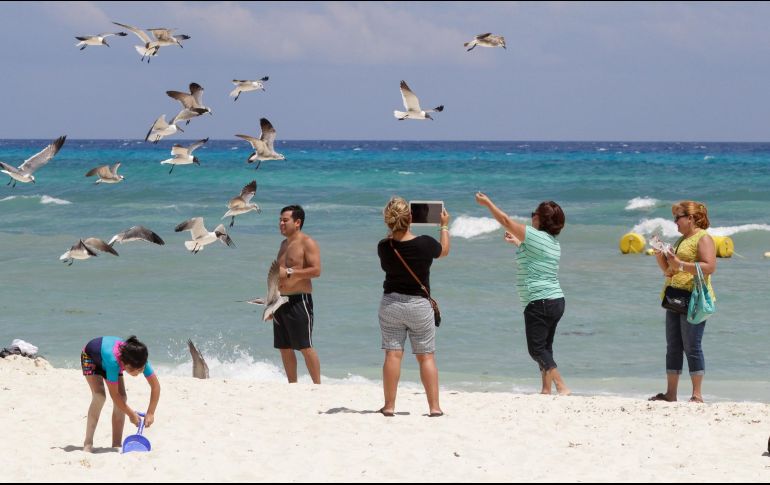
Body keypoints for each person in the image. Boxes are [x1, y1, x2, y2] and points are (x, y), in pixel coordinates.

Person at [475, 192, 570, 395]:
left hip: (539, 300)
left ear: (540, 219)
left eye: (533, 213)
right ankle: (546, 389)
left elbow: (505, 220)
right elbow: (536, 259)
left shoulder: (536, 236)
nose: (531, 217)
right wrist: (517, 243)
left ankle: (561, 386)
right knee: (546, 347)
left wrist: (487, 203)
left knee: (536, 349)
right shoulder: (552, 242)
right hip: (555, 300)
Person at [377, 196, 450, 417]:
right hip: (419, 305)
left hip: (391, 304)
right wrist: (444, 225)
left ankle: (389, 406)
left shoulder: (384, 246)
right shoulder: (426, 243)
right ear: (411, 218)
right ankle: (434, 408)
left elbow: (393, 241)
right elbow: (444, 251)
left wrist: (395, 228)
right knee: (426, 356)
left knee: (393, 355)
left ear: (388, 221)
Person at [649, 201, 716, 403]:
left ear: (691, 218)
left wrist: (680, 263)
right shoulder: (681, 240)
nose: (675, 221)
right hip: (675, 296)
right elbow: (670, 271)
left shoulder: (703, 238)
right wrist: (660, 255)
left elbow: (710, 266)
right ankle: (671, 393)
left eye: (678, 217)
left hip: (694, 298)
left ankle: (697, 395)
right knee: (673, 346)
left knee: (692, 346)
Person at [80, 335, 160, 452]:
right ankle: (88, 442)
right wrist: (131, 414)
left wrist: (151, 412)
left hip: (109, 360)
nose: (140, 373)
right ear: (126, 366)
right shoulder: (114, 362)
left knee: (123, 397)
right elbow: (114, 395)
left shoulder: (140, 359)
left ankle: (116, 443)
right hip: (91, 357)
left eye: (142, 369)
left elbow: (155, 386)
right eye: (137, 371)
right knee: (99, 396)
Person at [272, 205, 322, 384]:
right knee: (284, 347)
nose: (281, 223)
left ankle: (317, 385)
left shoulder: (307, 242)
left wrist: (291, 272)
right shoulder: (283, 244)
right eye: (280, 220)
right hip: (280, 300)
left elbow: (316, 270)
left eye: (285, 220)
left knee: (305, 346)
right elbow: (278, 274)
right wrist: (271, 302)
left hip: (299, 300)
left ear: (297, 222)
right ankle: (292, 384)